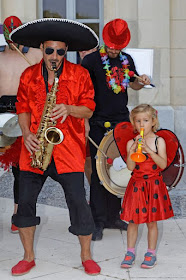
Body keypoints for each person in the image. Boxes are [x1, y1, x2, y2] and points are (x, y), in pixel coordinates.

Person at [10, 18, 101, 276]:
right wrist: (27, 133)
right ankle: (28, 257)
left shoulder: (80, 74)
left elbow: (89, 108)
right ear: (41, 48)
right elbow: (23, 107)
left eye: (60, 51)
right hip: (34, 150)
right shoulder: (29, 75)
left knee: (78, 204)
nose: (55, 56)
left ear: (66, 52)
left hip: (68, 150)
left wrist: (69, 108)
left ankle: (86, 256)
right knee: (25, 202)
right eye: (49, 50)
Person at [81, 18, 151, 241]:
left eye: (117, 46)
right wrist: (84, 122)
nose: (113, 49)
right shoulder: (91, 61)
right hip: (98, 123)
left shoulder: (126, 59)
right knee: (98, 173)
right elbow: (81, 93)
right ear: (104, 41)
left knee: (119, 170)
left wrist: (142, 80)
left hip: (122, 123)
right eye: (110, 45)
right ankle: (97, 220)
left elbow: (133, 83)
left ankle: (113, 216)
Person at [0, 15, 42, 233]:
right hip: (0, 113)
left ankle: (18, 213)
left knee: (21, 168)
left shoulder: (33, 55)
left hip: (21, 115)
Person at [120, 104, 174, 269]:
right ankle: (130, 252)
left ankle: (151, 253)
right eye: (138, 121)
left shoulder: (159, 141)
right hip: (136, 185)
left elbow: (163, 164)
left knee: (152, 222)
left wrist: (150, 151)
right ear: (133, 123)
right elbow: (130, 167)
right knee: (132, 221)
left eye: (145, 120)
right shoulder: (131, 142)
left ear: (153, 121)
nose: (142, 124)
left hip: (153, 186)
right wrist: (132, 151)